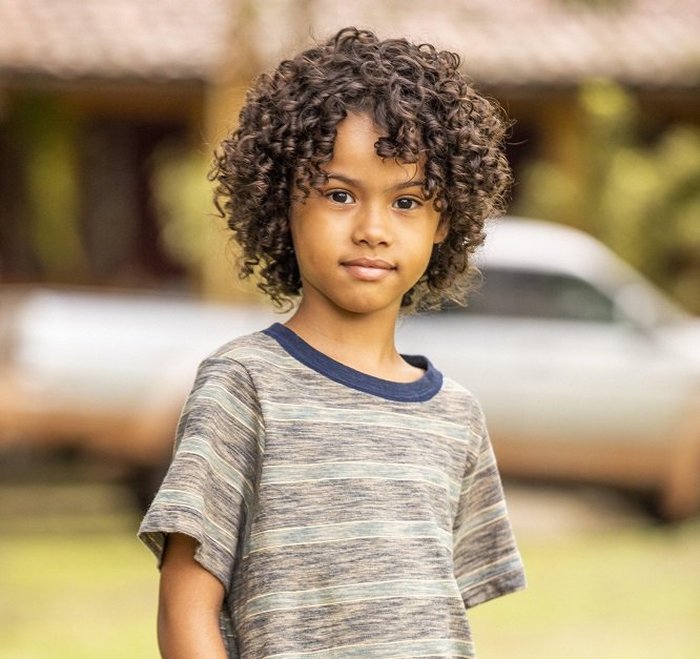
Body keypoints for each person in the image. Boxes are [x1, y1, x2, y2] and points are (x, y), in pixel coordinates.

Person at [139, 26, 525, 659]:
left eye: (406, 201)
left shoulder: (456, 416)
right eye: (340, 195)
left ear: (443, 224)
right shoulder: (244, 384)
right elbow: (185, 605)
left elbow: (433, 617)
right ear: (281, 201)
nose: (373, 229)